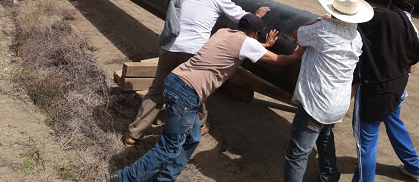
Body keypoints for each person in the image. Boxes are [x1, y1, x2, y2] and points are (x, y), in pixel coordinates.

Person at [109, 13, 306, 182]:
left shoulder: (223, 33)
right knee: (170, 146)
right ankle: (125, 178)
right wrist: (298, 53)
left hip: (175, 80)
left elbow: (240, 47)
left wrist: (263, 45)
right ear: (254, 34)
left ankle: (165, 178)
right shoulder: (247, 44)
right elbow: (280, 61)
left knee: (193, 136)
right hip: (187, 92)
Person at [124, 0, 272, 147]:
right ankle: (200, 125)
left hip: (170, 46)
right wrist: (257, 15)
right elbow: (241, 18)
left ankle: (133, 133)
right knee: (196, 89)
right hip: (195, 52)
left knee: (156, 91)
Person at [283, 0, 374, 182]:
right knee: (325, 137)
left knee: (297, 155)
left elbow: (296, 34)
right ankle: (330, 176)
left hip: (317, 104)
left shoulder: (322, 29)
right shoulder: (356, 37)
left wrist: (318, 20)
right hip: (338, 103)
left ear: (333, 11)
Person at [351, 0, 419, 182]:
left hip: (375, 91)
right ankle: (414, 166)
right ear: (412, 9)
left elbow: (353, 24)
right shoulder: (412, 27)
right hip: (397, 88)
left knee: (366, 141)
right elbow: (413, 59)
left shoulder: (378, 17)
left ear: (390, 3)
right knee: (394, 123)